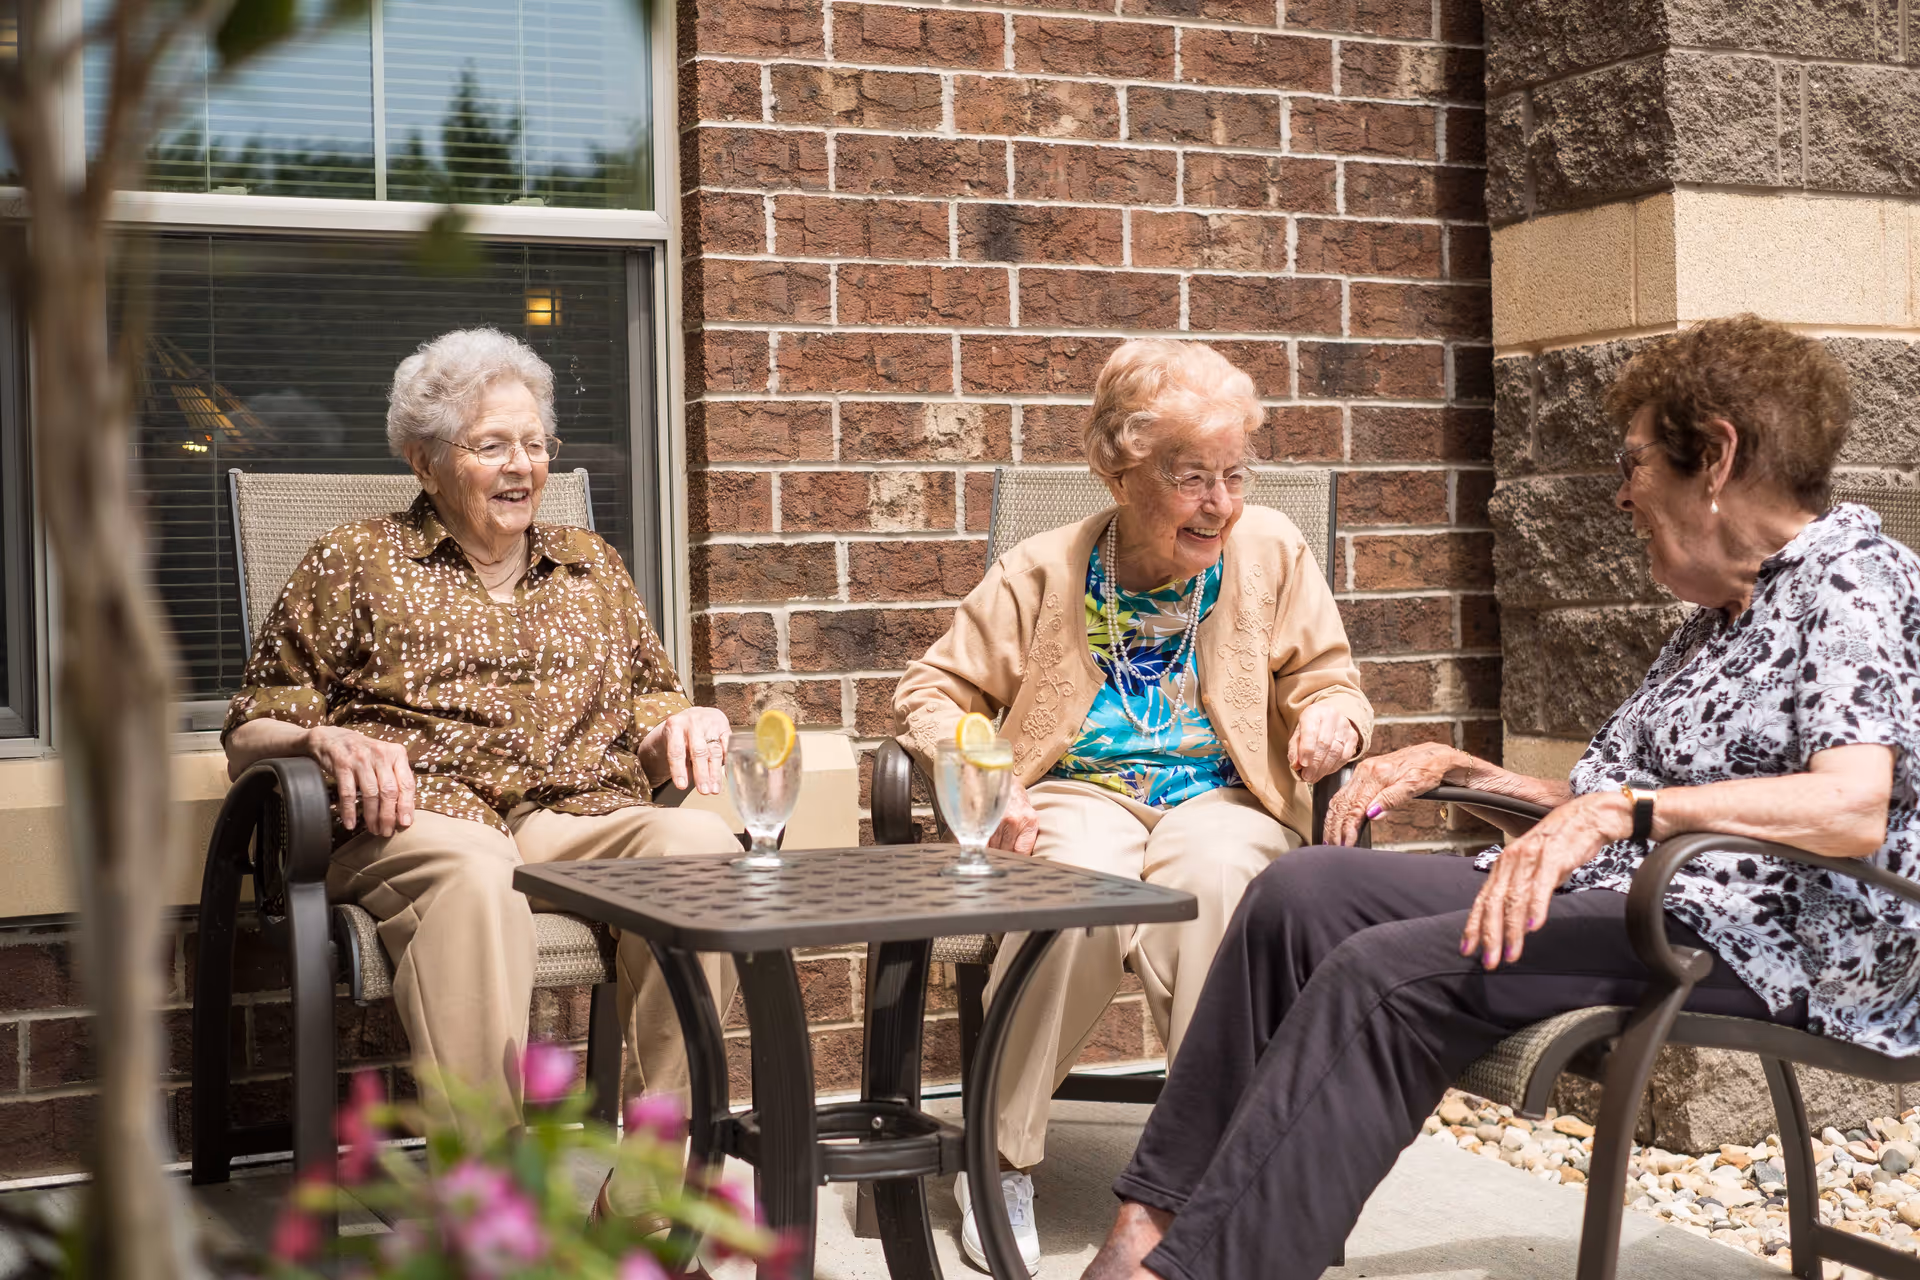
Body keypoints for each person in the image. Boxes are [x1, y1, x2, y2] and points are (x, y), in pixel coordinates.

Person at [1083, 314, 1920, 1280]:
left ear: (1719, 457)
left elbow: (1852, 805)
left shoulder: (1851, 581)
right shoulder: (1725, 613)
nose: (1621, 491)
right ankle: (1152, 1225)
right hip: (1644, 895)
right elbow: (1609, 800)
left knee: (1386, 975)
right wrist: (1468, 773)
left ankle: (1203, 1273)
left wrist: (1630, 814)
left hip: (1770, 936)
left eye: (1637, 459)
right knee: (1300, 893)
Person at [893, 338, 1373, 1273]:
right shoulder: (1040, 568)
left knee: (1223, 876)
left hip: (1226, 796)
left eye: (1235, 474)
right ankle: (997, 1160)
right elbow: (933, 692)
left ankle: (1217, 1176)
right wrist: (990, 775)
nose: (1221, 503)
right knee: (1079, 890)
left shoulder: (1271, 549)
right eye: (1192, 477)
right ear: (1118, 470)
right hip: (1078, 790)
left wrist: (1332, 726)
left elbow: (1330, 679)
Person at [223, 328, 742, 1151]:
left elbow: (652, 698)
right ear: (424, 461)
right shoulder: (356, 558)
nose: (521, 465)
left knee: (701, 845)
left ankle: (650, 1196)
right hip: (416, 816)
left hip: (573, 811)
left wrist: (687, 719)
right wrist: (322, 741)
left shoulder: (590, 564)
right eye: (492, 445)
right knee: (477, 869)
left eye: (535, 445)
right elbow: (250, 725)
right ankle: (493, 1212)